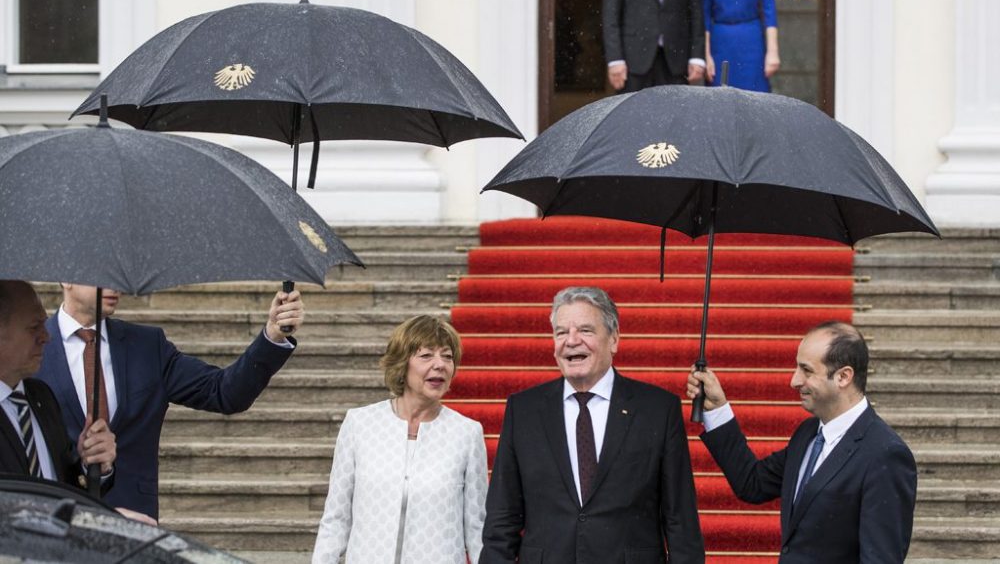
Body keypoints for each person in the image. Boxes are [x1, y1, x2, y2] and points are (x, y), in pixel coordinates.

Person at [36, 282, 304, 519]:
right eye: (101, 273)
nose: (114, 285)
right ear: (66, 278)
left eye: (117, 275)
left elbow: (224, 392)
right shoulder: (31, 347)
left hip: (135, 523)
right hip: (51, 521)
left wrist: (273, 336)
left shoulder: (147, 346)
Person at [481, 286, 704, 563]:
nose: (571, 341)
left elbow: (681, 520)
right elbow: (502, 518)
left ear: (614, 339)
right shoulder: (523, 410)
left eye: (585, 330)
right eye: (561, 332)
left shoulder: (658, 409)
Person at [686, 321, 917, 563]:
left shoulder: (886, 454)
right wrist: (717, 409)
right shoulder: (808, 433)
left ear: (843, 377)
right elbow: (752, 483)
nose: (794, 381)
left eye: (806, 371)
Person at [313, 315, 487, 564]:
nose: (440, 365)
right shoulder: (359, 424)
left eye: (447, 356)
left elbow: (477, 527)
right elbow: (336, 517)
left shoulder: (467, 433)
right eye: (426, 355)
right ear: (402, 363)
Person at [0, 281, 115, 490]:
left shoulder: (41, 396)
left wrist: (91, 463)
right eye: (34, 328)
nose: (46, 336)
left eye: (44, 325)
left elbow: (65, 485)